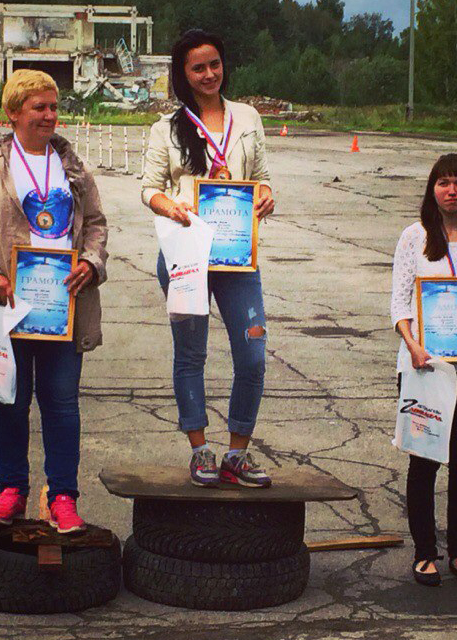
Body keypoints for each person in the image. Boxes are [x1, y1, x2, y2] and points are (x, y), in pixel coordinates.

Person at [0, 69, 108, 533]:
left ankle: (63, 497)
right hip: (9, 305)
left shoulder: (73, 166)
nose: (49, 115)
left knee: (61, 404)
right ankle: (12, 490)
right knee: (9, 402)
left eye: (54, 107)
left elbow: (96, 224)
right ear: (13, 113)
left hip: (63, 306)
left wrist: (91, 262)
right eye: (39, 107)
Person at [141, 29, 276, 488]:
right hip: (187, 256)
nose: (208, 74)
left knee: (253, 356)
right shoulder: (167, 127)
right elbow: (149, 188)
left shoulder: (248, 117)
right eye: (197, 68)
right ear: (183, 74)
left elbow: (261, 176)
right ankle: (200, 451)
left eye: (214, 64)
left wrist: (267, 194)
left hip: (239, 257)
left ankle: (237, 454)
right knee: (191, 355)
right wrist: (170, 207)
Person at [390, 153, 457, 586]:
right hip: (424, 368)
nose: (451, 191)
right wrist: (414, 346)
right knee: (425, 460)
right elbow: (400, 303)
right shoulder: (413, 237)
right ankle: (424, 553)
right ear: (432, 189)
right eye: (443, 182)